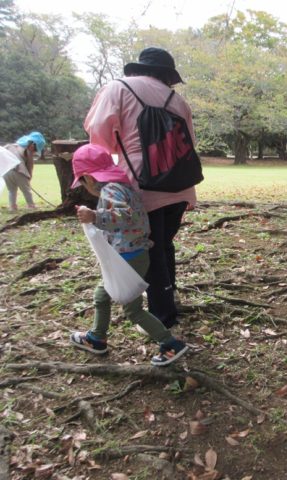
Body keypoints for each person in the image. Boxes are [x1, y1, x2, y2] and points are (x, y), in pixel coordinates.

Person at [84, 47, 196, 329]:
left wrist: (124, 148)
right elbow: (190, 143)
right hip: (180, 185)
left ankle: (163, 317)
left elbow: (99, 135)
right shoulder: (178, 100)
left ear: (139, 68)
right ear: (167, 74)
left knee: (151, 248)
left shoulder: (119, 88)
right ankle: (169, 298)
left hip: (142, 183)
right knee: (164, 243)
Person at [69, 144, 188, 366]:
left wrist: (95, 215)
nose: (85, 187)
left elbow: (126, 216)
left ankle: (170, 343)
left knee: (132, 310)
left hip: (128, 258)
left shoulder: (110, 190)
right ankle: (97, 337)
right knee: (103, 296)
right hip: (133, 254)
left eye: (83, 183)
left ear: (89, 178)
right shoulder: (122, 186)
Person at [3, 131, 46, 211]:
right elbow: (30, 165)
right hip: (19, 171)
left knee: (11, 190)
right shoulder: (28, 150)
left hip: (7, 171)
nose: (35, 151)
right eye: (36, 149)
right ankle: (31, 205)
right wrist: (29, 176)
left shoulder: (12, 146)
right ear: (33, 145)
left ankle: (12, 207)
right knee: (26, 190)